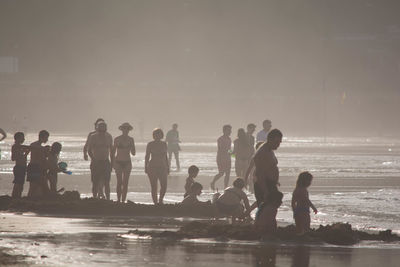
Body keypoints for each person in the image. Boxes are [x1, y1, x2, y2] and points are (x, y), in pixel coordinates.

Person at [253, 129, 282, 207]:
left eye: (279, 142)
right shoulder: (262, 152)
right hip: (264, 186)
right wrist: (266, 191)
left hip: (270, 184)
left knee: (271, 211)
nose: (278, 145)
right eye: (276, 142)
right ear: (270, 139)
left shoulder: (269, 150)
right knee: (265, 212)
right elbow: (260, 174)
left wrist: (275, 181)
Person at [87, 121, 113, 200]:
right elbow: (89, 150)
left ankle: (108, 199)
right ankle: (94, 198)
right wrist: (93, 159)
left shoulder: (109, 136)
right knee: (95, 182)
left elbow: (111, 151)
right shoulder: (93, 137)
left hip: (106, 161)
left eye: (104, 130)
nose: (102, 132)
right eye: (100, 130)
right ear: (97, 129)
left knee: (107, 182)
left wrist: (112, 163)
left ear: (106, 129)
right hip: (96, 161)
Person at [112, 123, 136, 203]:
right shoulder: (117, 139)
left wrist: (131, 146)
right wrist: (112, 163)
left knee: (125, 182)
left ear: (129, 130)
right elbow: (113, 152)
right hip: (118, 162)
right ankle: (118, 200)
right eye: (124, 128)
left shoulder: (131, 139)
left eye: (127, 129)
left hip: (127, 162)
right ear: (121, 129)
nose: (126, 130)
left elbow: (133, 153)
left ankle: (123, 200)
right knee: (119, 182)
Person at [145, 128, 169, 205]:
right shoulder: (150, 144)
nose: (157, 136)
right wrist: (145, 166)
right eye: (156, 134)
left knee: (164, 185)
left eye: (159, 134)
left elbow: (166, 156)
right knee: (154, 186)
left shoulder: (164, 144)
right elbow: (147, 156)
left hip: (163, 167)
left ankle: (160, 200)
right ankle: (155, 203)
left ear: (161, 135)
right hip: (152, 167)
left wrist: (168, 167)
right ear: (153, 135)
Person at [27, 130, 50, 197]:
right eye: (46, 138)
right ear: (42, 137)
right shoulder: (38, 147)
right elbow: (41, 159)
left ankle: (30, 198)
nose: (47, 139)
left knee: (35, 185)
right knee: (33, 185)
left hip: (35, 167)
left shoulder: (34, 145)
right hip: (34, 167)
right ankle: (29, 198)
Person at [210, 125, 232, 191]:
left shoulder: (229, 139)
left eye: (230, 130)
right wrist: (227, 152)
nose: (230, 132)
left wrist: (233, 156)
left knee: (228, 174)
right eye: (229, 130)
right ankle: (213, 182)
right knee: (221, 173)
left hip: (228, 158)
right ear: (224, 131)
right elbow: (221, 149)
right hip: (221, 158)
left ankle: (225, 187)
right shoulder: (220, 139)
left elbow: (229, 149)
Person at [11, 132, 30, 198]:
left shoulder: (19, 147)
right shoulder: (16, 146)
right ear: (18, 138)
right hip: (19, 167)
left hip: (22, 167)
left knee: (20, 184)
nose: (24, 139)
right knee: (18, 184)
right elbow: (13, 158)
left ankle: (16, 197)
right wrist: (26, 154)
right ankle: (15, 198)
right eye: (22, 138)